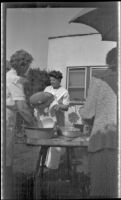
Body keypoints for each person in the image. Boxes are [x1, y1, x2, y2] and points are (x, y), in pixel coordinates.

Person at [79, 47, 118, 198]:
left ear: (109, 61)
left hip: (103, 140)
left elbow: (88, 114)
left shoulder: (99, 79)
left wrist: (83, 111)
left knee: (101, 192)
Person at [5, 49, 37, 198]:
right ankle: (8, 192)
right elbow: (22, 108)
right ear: (22, 65)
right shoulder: (14, 79)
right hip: (5, 122)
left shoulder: (9, 75)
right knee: (6, 159)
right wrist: (37, 126)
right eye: (27, 66)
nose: (28, 69)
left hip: (7, 119)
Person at [43, 70, 70, 169]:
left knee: (55, 142)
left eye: (53, 80)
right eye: (50, 80)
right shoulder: (47, 89)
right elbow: (42, 100)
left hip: (58, 120)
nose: (51, 82)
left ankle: (52, 166)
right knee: (45, 140)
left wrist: (59, 106)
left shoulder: (64, 92)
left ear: (59, 80)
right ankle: (43, 162)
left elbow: (66, 107)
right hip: (47, 119)